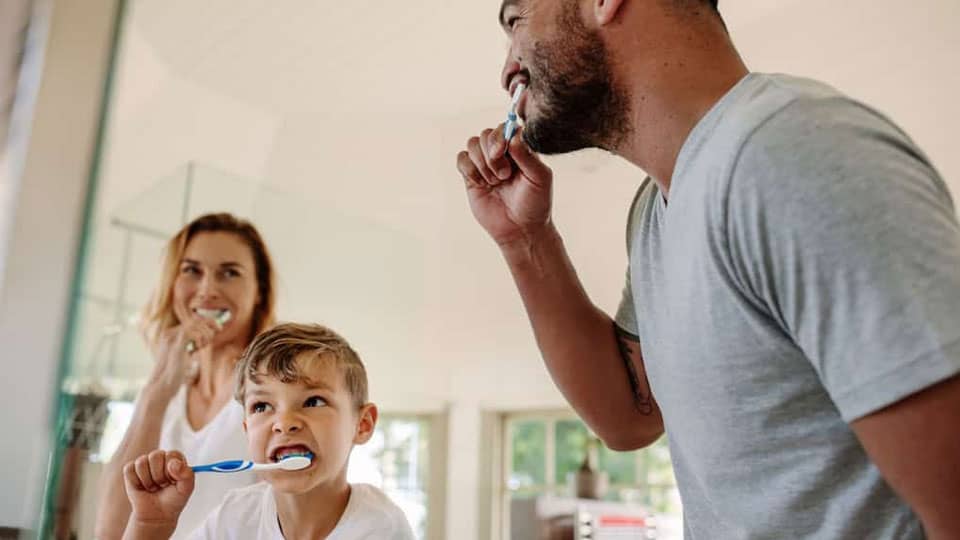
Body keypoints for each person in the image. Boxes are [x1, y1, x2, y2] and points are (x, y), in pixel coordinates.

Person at [455, 0, 960, 537]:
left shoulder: (791, 154)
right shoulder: (657, 208)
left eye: (517, 21)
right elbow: (629, 416)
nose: (508, 67)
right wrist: (525, 241)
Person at [119, 322, 416, 540]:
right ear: (247, 430)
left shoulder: (381, 528)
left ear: (362, 424)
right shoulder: (236, 516)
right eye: (262, 406)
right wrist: (150, 526)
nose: (284, 421)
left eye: (313, 401)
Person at [96, 213, 278, 539]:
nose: (207, 290)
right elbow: (110, 530)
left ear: (259, 292)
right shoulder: (163, 395)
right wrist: (157, 390)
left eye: (229, 273)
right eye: (192, 270)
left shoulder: (272, 395)